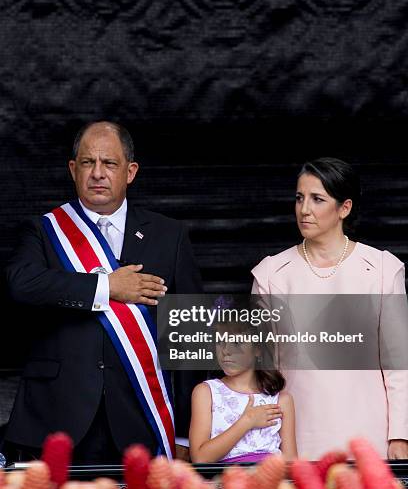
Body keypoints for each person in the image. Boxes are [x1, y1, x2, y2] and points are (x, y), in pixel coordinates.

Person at [3, 120, 203, 464]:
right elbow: (21, 284)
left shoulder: (168, 236)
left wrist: (186, 431)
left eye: (109, 163)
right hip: (58, 419)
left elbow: (190, 336)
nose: (98, 173)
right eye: (87, 163)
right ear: (72, 169)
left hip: (142, 418)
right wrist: (107, 286)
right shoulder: (43, 230)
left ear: (130, 171)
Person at [252, 157, 408, 459]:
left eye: (317, 199)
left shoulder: (382, 269)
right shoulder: (271, 274)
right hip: (295, 439)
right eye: (299, 198)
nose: (304, 209)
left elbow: (399, 362)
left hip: (369, 437)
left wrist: (400, 434)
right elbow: (261, 370)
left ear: (344, 208)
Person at [189, 331, 297, 463]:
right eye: (220, 342)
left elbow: (291, 465)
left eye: (236, 342)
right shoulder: (206, 392)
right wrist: (248, 421)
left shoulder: (281, 400)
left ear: (257, 348)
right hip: (224, 480)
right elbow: (199, 458)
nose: (225, 351)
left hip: (270, 479)